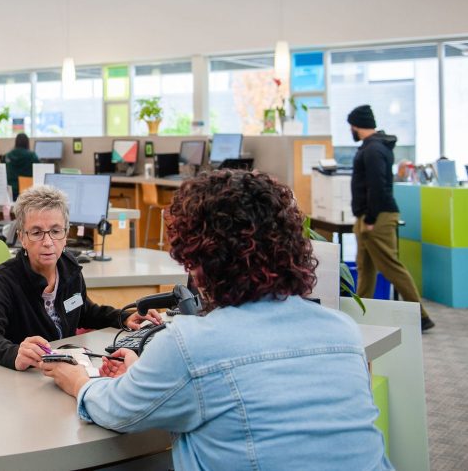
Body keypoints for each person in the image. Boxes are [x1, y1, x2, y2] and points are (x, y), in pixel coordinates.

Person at [41, 170, 393, 470]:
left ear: (199, 258)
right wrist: (143, 374)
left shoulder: (190, 344)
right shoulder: (342, 331)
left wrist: (76, 380)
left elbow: (117, 410)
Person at [0, 184, 161, 371]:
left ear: (65, 234)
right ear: (22, 238)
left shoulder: (69, 269)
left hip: (65, 370)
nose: (48, 242)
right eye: (37, 233)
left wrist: (124, 318)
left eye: (55, 231)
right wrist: (14, 353)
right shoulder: (4, 280)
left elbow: (84, 311)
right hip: (25, 377)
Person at [347, 105, 433, 331]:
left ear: (357, 125)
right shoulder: (373, 147)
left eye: (351, 126)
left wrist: (371, 218)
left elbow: (378, 187)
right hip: (368, 215)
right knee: (365, 267)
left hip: (377, 216)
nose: (350, 130)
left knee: (390, 266)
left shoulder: (374, 149)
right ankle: (360, 313)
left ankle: (420, 315)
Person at [4, 133, 39, 199]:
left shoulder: (8, 156)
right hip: (27, 191)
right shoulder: (32, 156)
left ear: (16, 142)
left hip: (11, 191)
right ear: (27, 143)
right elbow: (39, 170)